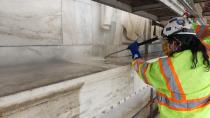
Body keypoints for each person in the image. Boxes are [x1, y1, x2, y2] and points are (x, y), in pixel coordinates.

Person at [128, 16, 210, 118]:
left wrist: (135, 55)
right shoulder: (207, 53)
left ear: (176, 43)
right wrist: (187, 25)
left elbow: (144, 71)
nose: (167, 46)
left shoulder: (168, 67)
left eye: (169, 42)